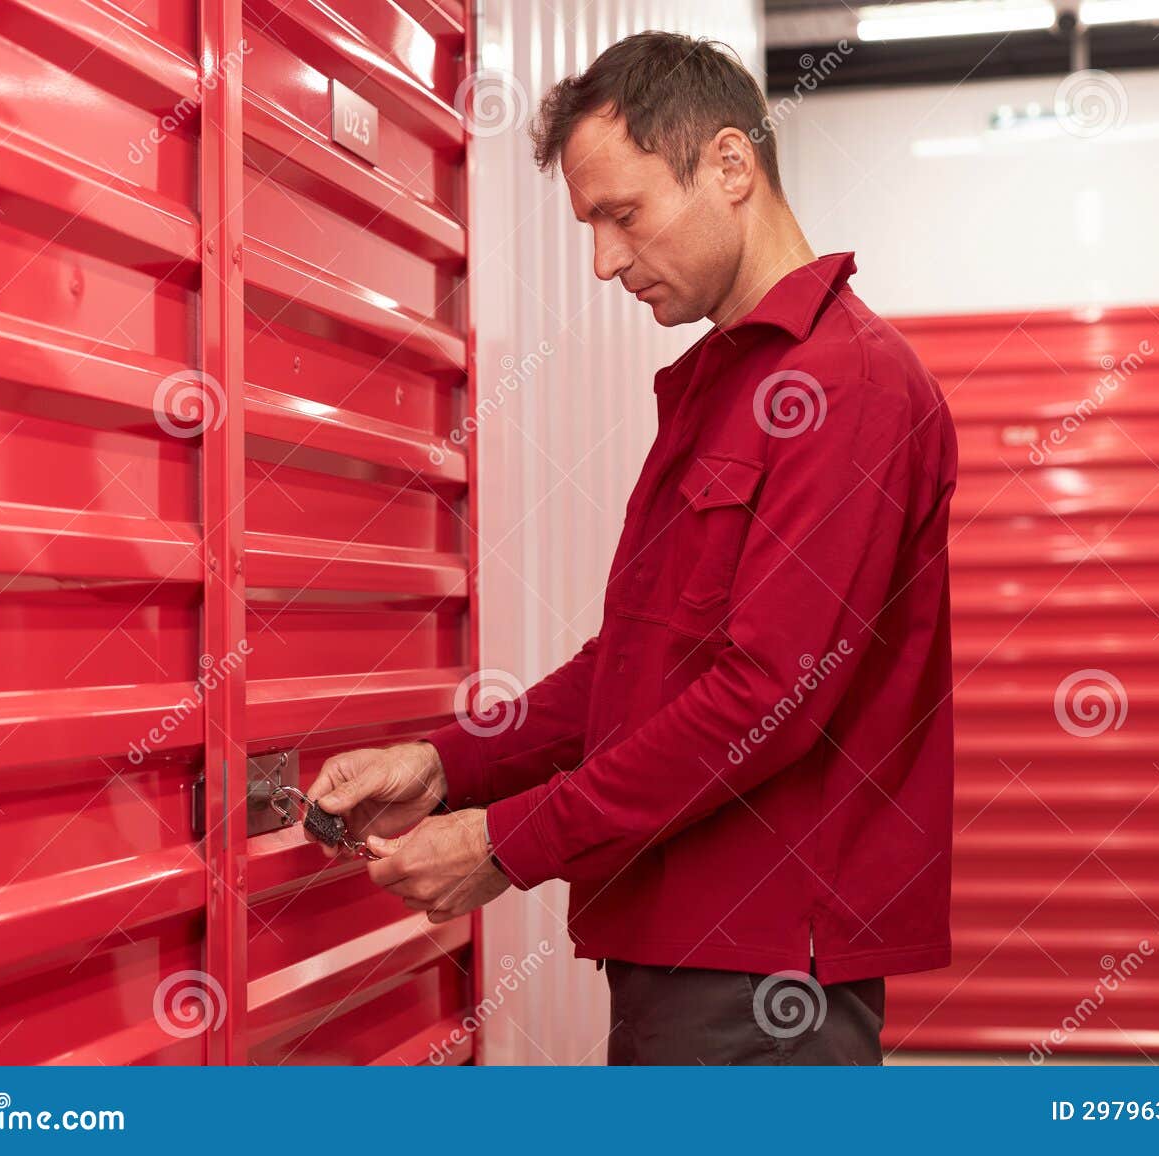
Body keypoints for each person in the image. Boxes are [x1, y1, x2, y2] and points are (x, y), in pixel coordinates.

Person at [307, 30, 958, 1066]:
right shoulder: (723, 386)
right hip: (678, 948)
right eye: (589, 224)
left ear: (731, 167)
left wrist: (503, 844)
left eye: (624, 214)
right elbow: (634, 668)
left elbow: (766, 698)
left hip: (762, 972)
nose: (605, 260)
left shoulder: (849, 386)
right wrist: (443, 764)